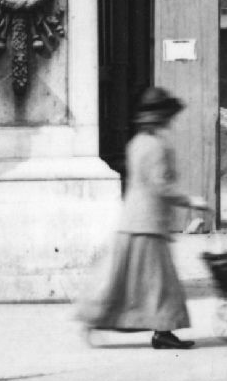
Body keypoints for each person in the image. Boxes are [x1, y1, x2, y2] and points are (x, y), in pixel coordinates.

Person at [76, 85, 209, 350]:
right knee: (160, 283)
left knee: (125, 282)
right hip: (148, 225)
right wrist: (190, 201)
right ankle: (162, 332)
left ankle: (95, 319)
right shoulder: (157, 146)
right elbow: (161, 186)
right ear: (161, 117)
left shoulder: (136, 143)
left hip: (133, 222)